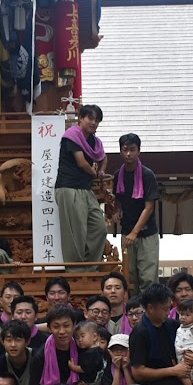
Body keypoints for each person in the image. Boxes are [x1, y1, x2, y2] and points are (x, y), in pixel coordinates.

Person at [130, 283, 193, 385]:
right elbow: (138, 372)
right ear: (150, 308)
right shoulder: (140, 333)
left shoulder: (172, 325)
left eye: (169, 307)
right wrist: (173, 371)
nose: (169, 312)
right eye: (165, 308)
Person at [56, 103, 108, 268]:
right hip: (69, 188)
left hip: (85, 188)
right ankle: (75, 272)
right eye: (90, 118)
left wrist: (101, 171)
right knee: (76, 233)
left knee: (100, 228)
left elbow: (104, 159)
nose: (94, 123)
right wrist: (95, 173)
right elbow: (82, 163)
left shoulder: (94, 141)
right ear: (81, 118)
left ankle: (89, 267)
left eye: (97, 120)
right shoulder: (72, 135)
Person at [115, 132, 161, 293]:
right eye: (125, 149)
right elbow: (117, 201)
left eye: (132, 149)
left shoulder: (147, 175)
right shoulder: (117, 175)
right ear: (120, 151)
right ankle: (134, 313)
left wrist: (134, 232)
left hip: (146, 234)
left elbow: (149, 207)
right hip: (126, 232)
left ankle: (148, 313)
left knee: (147, 278)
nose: (128, 153)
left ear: (139, 151)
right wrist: (115, 212)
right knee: (130, 277)